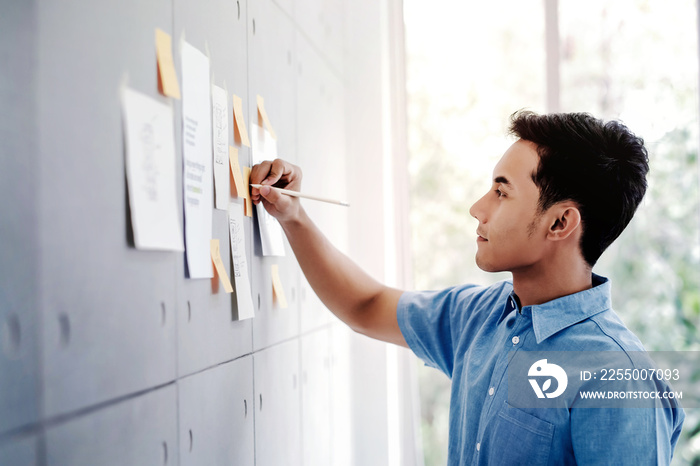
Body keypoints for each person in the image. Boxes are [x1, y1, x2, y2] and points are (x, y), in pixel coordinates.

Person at [250, 110, 685, 465]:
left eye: (501, 192)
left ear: (559, 222)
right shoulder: (477, 316)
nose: (477, 208)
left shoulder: (618, 379)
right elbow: (365, 306)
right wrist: (294, 216)